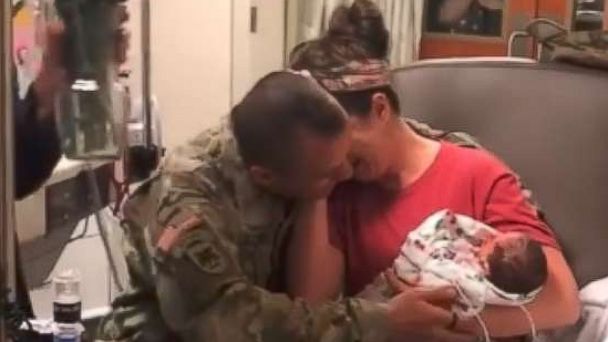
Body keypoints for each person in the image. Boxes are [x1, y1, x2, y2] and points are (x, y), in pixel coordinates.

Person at [96, 71, 473, 342]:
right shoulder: (187, 206)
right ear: (266, 179)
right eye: (328, 174)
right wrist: (381, 323)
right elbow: (230, 325)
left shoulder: (295, 134)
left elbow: (407, 141)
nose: (346, 174)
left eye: (347, 156)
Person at [286, 0, 580, 340]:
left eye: (341, 142)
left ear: (379, 109)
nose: (337, 165)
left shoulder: (476, 173)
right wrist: (315, 189)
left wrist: (445, 324)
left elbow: (563, 302)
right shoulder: (338, 192)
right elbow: (311, 307)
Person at [360, 209, 548, 322]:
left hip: (394, 295)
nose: (490, 235)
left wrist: (420, 258)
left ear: (486, 266)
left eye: (493, 240)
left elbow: (437, 279)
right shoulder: (481, 255)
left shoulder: (470, 285)